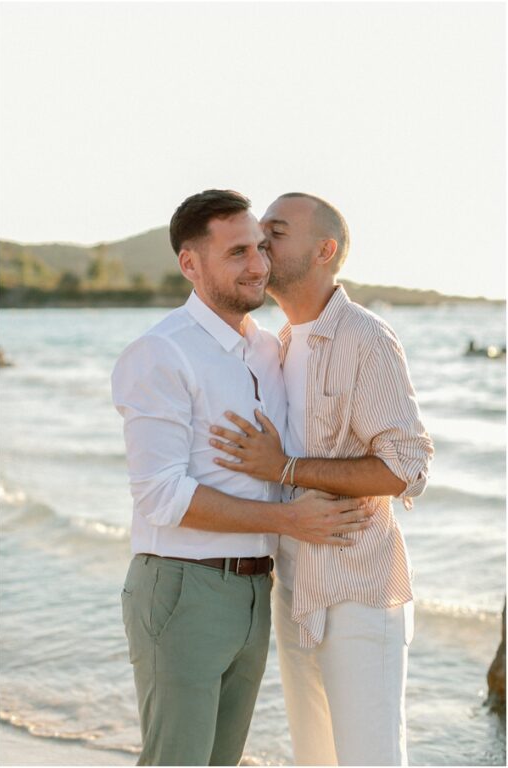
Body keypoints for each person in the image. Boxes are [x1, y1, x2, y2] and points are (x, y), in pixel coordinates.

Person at [110, 190, 371, 765]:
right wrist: (289, 519)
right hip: (182, 586)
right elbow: (161, 495)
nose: (257, 264)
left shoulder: (266, 351)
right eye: (236, 253)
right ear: (190, 264)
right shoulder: (161, 354)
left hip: (256, 589)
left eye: (259, 247)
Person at [209, 193, 433, 765]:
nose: (261, 243)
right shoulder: (281, 344)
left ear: (323, 251)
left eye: (276, 233)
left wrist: (284, 467)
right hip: (297, 591)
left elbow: (408, 465)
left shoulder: (366, 338)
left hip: (358, 591)